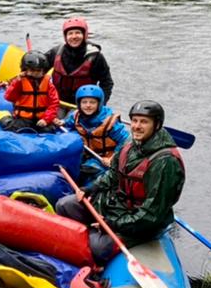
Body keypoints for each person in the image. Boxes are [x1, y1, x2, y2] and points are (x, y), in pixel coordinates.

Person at [54, 100, 185, 265]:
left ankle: (93, 241)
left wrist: (113, 224)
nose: (137, 126)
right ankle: (91, 233)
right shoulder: (129, 146)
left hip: (140, 222)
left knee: (98, 248)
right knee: (65, 205)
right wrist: (90, 189)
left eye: (144, 122)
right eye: (135, 121)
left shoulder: (166, 162)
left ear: (157, 125)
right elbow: (113, 176)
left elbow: (152, 214)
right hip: (116, 206)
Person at [45, 17, 114, 107]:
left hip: (84, 106)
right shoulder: (56, 52)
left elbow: (106, 83)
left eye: (78, 33)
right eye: (70, 33)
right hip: (57, 102)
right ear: (65, 37)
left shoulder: (95, 57)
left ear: (84, 35)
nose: (74, 37)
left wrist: (100, 103)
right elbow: (39, 69)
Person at [65, 83, 128, 176]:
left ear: (99, 104)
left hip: (105, 158)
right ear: (79, 104)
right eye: (84, 102)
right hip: (86, 154)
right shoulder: (75, 116)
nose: (88, 105)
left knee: (88, 171)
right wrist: (60, 122)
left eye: (92, 102)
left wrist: (112, 159)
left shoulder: (110, 122)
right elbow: (67, 126)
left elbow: (126, 141)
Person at [1, 51, 60, 132]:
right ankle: (3, 116)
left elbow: (54, 103)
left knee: (49, 130)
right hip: (23, 118)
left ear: (43, 71)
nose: (35, 73)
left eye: (39, 70)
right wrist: (17, 82)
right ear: (25, 70)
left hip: (41, 118)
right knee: (12, 128)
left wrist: (46, 119)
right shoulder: (20, 82)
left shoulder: (49, 85)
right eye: (32, 70)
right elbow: (9, 97)